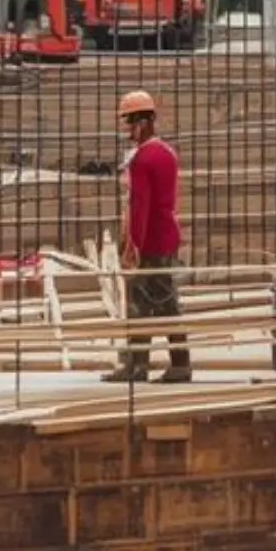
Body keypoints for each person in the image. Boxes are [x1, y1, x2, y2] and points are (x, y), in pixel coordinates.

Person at [106, 88, 190, 383]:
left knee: (143, 304)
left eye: (128, 123)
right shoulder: (167, 152)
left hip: (150, 241)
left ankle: (142, 365)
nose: (127, 130)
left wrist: (133, 246)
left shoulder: (143, 159)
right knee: (162, 302)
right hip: (166, 237)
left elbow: (139, 207)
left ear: (141, 123)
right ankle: (171, 364)